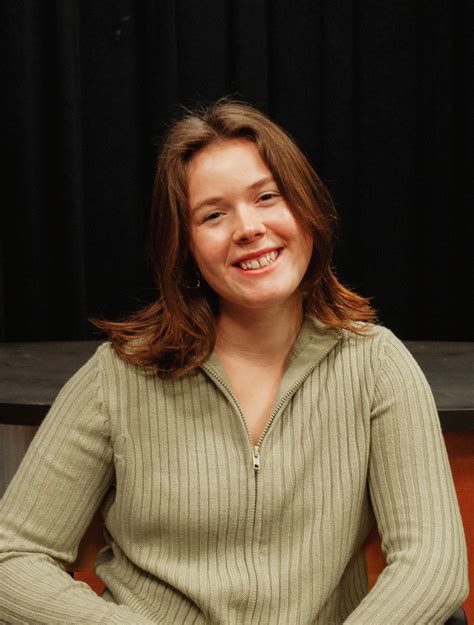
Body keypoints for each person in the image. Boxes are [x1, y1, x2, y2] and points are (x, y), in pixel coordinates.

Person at [0, 99, 468, 624]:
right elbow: (11, 559)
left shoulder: (377, 365)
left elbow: (432, 564)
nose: (248, 227)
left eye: (267, 197)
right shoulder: (117, 375)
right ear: (186, 248)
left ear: (307, 210)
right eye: (213, 215)